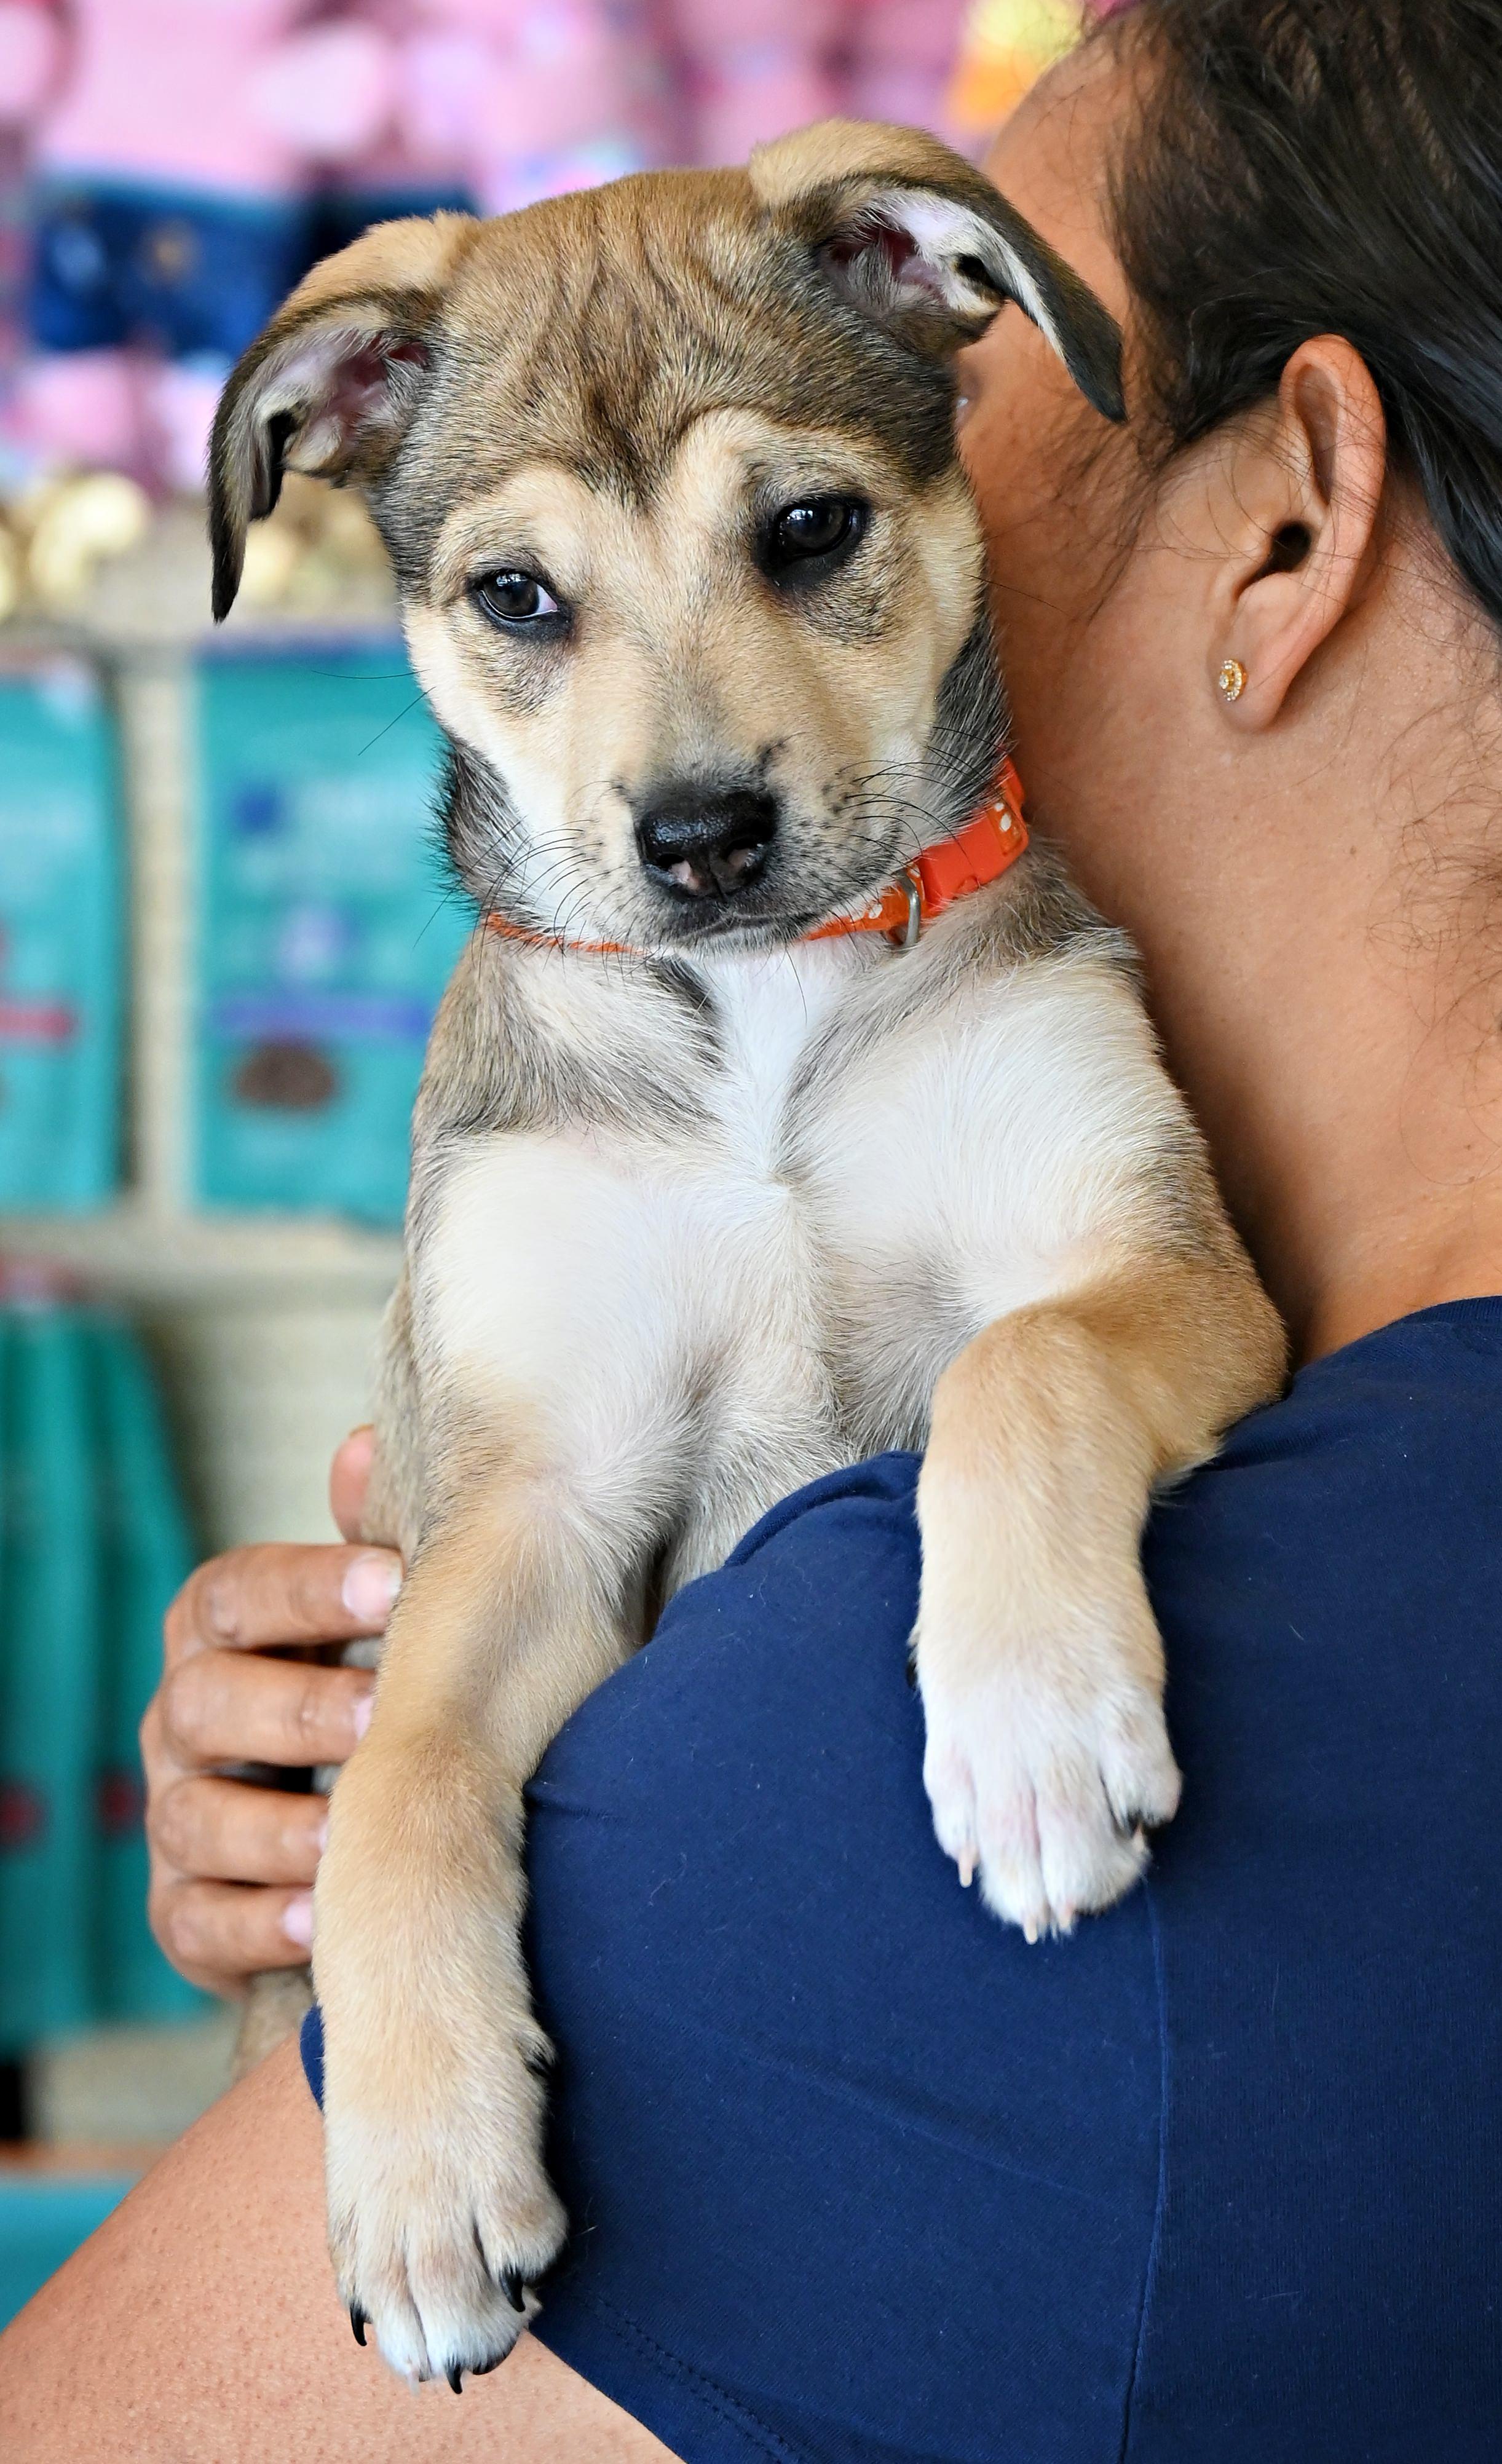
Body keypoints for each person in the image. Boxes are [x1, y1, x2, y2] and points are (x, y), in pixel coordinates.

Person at [6, 0, 1502, 2452]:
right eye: (527, 602)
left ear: (1285, 518)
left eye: (803, 537)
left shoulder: (1039, 986)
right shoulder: (525, 1085)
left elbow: (1158, 1307)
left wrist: (1034, 1423)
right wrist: (374, 1851)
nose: (687, 765)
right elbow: (512, 1553)